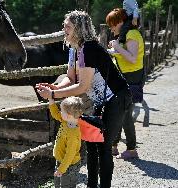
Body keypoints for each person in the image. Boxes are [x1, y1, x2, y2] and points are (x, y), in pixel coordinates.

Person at [36, 10, 133, 188]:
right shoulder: (75, 49)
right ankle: (91, 185)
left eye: (68, 26)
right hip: (100, 101)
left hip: (117, 98)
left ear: (79, 28)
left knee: (103, 147)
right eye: (64, 25)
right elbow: (71, 78)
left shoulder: (88, 48)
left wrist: (52, 96)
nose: (64, 29)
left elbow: (82, 86)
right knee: (91, 145)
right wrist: (56, 87)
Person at [107, 8, 144, 159]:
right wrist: (115, 50)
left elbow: (133, 58)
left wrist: (116, 48)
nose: (111, 28)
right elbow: (125, 55)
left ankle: (131, 149)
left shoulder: (132, 34)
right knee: (119, 111)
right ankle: (114, 146)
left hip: (132, 78)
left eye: (113, 24)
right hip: (125, 77)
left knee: (125, 113)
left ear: (121, 22)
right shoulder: (125, 35)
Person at [43, 96, 83, 187]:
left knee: (66, 185)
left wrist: (61, 169)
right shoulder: (66, 121)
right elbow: (55, 114)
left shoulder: (72, 134)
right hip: (61, 161)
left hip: (69, 165)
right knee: (58, 184)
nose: (60, 113)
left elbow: (70, 154)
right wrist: (51, 101)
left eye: (62, 111)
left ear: (68, 115)